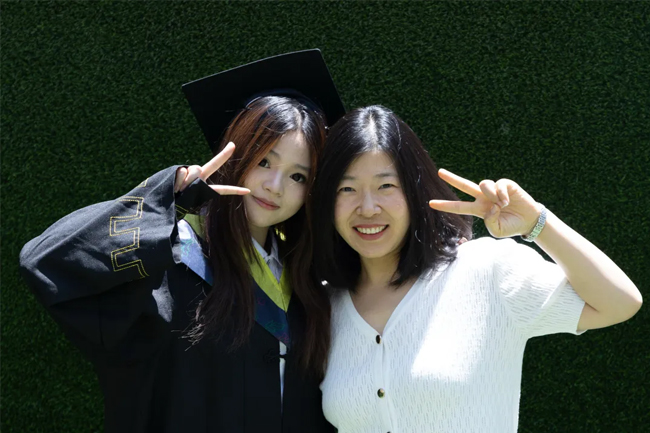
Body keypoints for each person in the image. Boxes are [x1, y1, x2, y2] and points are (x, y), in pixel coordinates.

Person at [19, 50, 345, 433]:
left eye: (298, 176)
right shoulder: (168, 260)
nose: (275, 186)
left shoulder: (311, 281)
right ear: (235, 153)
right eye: (264, 162)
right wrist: (165, 197)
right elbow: (45, 261)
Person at [310, 105, 642, 433]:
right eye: (347, 189)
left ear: (414, 191)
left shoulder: (486, 271)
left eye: (386, 186)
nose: (368, 208)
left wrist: (537, 223)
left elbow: (619, 302)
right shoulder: (323, 307)